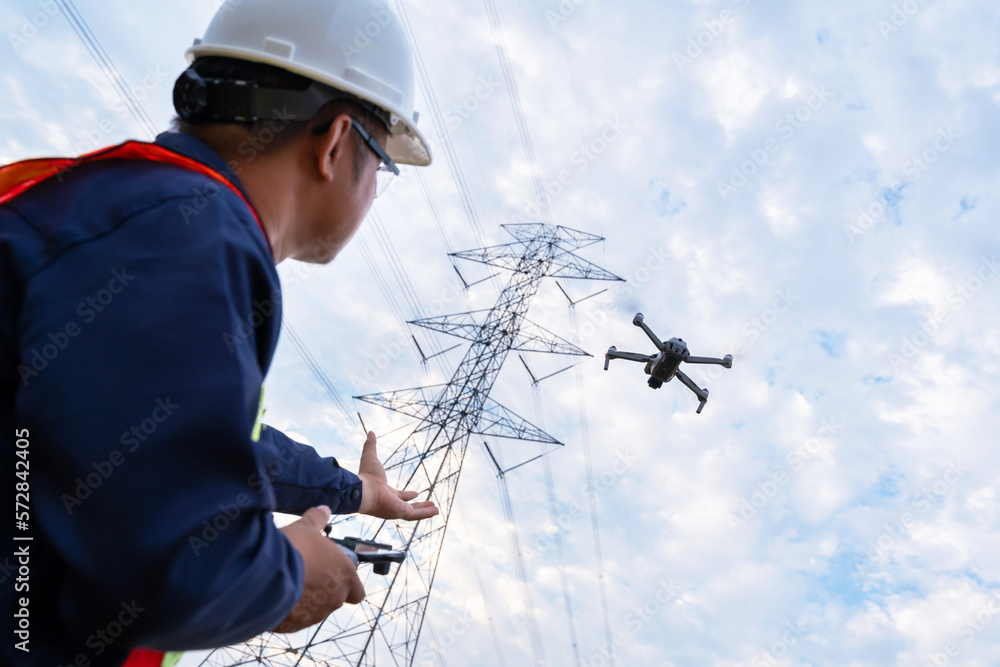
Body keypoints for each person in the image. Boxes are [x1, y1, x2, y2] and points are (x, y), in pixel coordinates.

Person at [0, 1, 436, 665]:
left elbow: (180, 449)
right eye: (384, 164)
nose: (377, 189)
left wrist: (359, 491)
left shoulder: (136, 211)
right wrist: (290, 576)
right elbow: (171, 565)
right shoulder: (190, 235)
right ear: (336, 141)